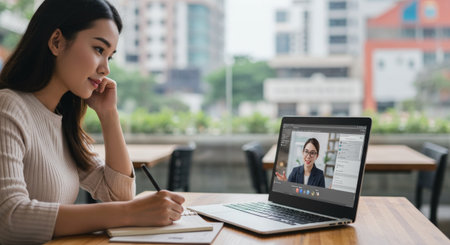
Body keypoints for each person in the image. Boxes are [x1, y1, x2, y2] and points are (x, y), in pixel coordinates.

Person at [0, 0, 184, 244]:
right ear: (57, 41)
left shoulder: (62, 119)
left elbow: (119, 195)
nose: (105, 69)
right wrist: (130, 213)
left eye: (110, 57)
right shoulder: (8, 107)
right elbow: (9, 218)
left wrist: (109, 115)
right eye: (99, 49)